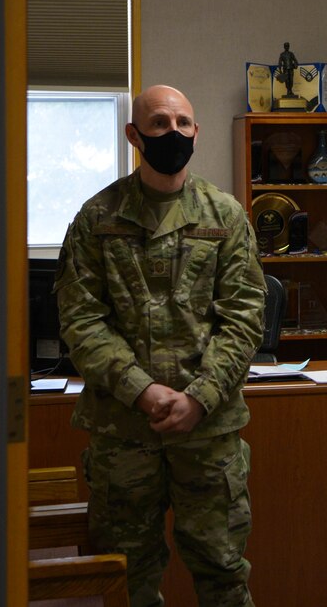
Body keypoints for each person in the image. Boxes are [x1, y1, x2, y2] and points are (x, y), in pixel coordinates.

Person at [55, 84, 266, 607]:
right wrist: (143, 391)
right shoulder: (97, 218)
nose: (173, 133)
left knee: (223, 575)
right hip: (125, 430)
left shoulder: (225, 216)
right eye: (159, 124)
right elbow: (81, 320)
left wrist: (199, 397)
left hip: (209, 433)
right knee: (126, 577)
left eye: (183, 124)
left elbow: (243, 317)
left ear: (196, 132)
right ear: (135, 135)